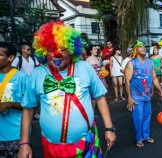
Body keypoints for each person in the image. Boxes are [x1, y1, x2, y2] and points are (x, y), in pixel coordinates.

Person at [18, 21, 116, 158]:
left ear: (71, 50)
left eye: (63, 49)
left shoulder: (85, 67)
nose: (57, 54)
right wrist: (24, 143)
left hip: (86, 144)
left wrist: (109, 128)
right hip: (51, 148)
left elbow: (100, 98)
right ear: (44, 51)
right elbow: (28, 109)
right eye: (51, 50)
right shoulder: (37, 74)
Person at [124, 40, 162, 147]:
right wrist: (129, 98)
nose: (143, 48)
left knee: (147, 116)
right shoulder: (131, 63)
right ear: (136, 50)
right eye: (140, 46)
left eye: (144, 46)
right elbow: (127, 81)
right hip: (136, 96)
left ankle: (146, 136)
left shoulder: (149, 62)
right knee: (138, 117)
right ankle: (138, 138)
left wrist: (160, 91)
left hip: (147, 96)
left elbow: (154, 78)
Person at [0, 42, 29, 158]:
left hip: (16, 136)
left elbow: (32, 106)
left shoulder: (22, 78)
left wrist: (9, 104)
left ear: (10, 58)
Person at [11, 44, 41, 120]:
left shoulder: (33, 58)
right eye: (28, 49)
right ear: (23, 50)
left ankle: (36, 113)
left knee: (35, 96)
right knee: (25, 98)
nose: (30, 50)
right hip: (23, 82)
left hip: (34, 80)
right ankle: (26, 114)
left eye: (30, 49)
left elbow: (38, 67)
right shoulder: (18, 59)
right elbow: (12, 69)